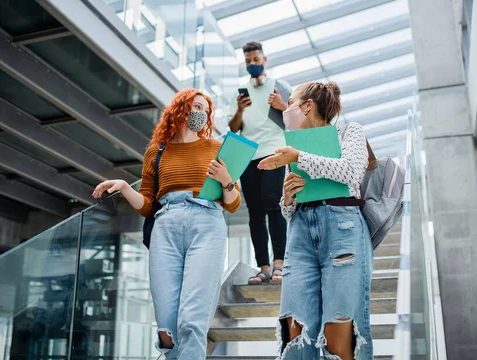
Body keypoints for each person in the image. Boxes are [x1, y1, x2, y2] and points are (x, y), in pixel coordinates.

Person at [92, 88, 241, 359]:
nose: (201, 113)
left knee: (192, 320)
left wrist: (226, 179)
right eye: (195, 107)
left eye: (205, 110)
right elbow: (148, 204)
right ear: (180, 109)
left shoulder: (217, 148)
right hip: (165, 226)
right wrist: (125, 186)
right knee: (166, 327)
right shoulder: (156, 151)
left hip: (206, 223)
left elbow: (233, 203)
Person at [257, 82, 373, 360]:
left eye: (292, 102)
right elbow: (289, 212)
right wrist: (287, 198)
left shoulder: (349, 131)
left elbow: (351, 173)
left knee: (340, 335)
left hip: (342, 230)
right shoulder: (293, 146)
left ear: (307, 105)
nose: (287, 110)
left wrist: (299, 157)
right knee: (294, 332)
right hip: (299, 235)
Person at [228, 41, 292, 284]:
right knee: (255, 213)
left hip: (273, 152)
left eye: (256, 59)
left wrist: (282, 106)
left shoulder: (280, 87)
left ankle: (280, 263)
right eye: (248, 61)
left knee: (273, 204)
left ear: (265, 59)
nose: (252, 64)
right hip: (248, 155)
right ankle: (263, 267)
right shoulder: (240, 92)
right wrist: (240, 111)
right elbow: (233, 129)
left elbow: (297, 119)